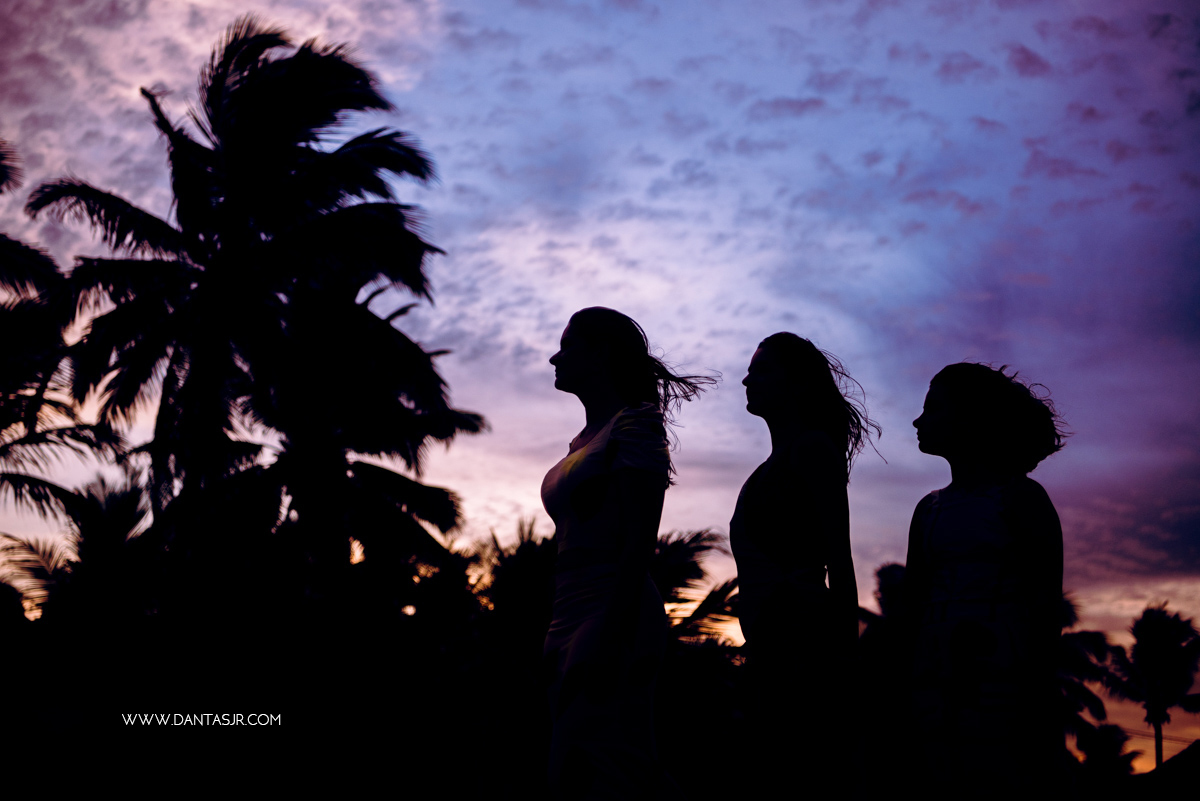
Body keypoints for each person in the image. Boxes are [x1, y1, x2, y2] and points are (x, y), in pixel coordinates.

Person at [541, 307, 713, 799]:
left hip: (613, 603)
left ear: (599, 356)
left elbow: (640, 541)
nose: (555, 357)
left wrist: (612, 630)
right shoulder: (583, 441)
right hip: (569, 604)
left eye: (568, 346)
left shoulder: (634, 426)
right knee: (580, 759)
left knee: (603, 759)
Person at [905, 362, 1067, 799]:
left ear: (971, 418)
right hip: (932, 677)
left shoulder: (1021, 498)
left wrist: (1037, 695)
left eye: (933, 409)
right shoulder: (928, 509)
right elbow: (912, 606)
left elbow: (1045, 606)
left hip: (1002, 677)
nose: (918, 421)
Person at [729, 332, 878, 794]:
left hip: (800, 644)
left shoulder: (811, 448)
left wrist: (845, 659)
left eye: (761, 370)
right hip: (773, 642)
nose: (746, 380)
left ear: (795, 383)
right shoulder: (773, 464)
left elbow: (839, 557)